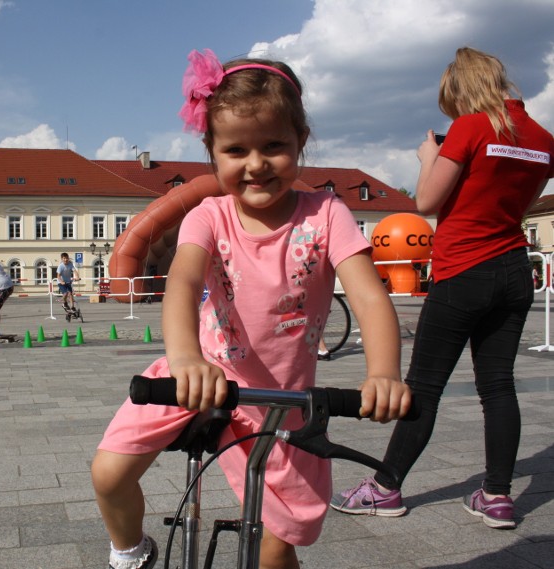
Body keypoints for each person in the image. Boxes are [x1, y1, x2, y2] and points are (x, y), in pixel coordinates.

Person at [91, 49, 411, 569]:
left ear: (300, 142)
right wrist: (185, 358)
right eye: (236, 149)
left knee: (279, 540)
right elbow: (183, 282)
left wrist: (384, 374)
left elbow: (369, 295)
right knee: (109, 472)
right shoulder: (209, 216)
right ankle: (131, 550)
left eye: (274, 146)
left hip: (282, 398)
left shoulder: (327, 214)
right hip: (201, 374)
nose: (256, 164)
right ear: (212, 152)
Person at [331, 47, 554, 530]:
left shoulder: (473, 127)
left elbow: (429, 200)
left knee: (425, 388)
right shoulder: (542, 138)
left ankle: (385, 489)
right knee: (498, 386)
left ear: (461, 89)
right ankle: (496, 496)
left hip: (464, 269)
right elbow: (525, 205)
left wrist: (429, 156)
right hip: (514, 268)